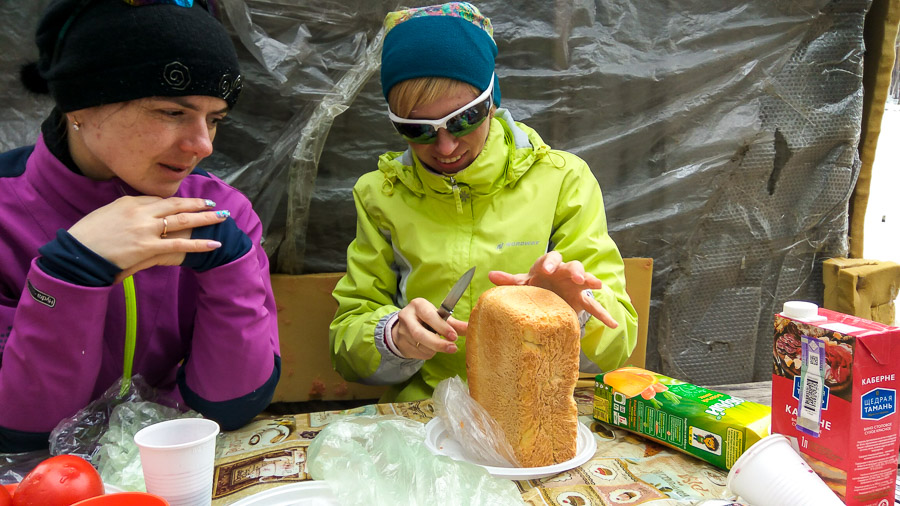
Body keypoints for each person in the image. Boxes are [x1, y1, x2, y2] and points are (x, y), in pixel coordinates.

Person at [0, 0, 280, 452]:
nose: (203, 145)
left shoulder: (222, 213)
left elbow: (232, 406)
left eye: (215, 119)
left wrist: (230, 264)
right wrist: (68, 276)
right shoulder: (5, 215)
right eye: (172, 112)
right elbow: (23, 430)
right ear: (81, 104)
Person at [330, 2, 638, 402]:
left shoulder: (562, 180)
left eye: (464, 118)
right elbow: (347, 343)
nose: (445, 146)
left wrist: (573, 310)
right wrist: (394, 338)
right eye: (417, 130)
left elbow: (617, 345)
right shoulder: (381, 195)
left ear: (492, 99)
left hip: (535, 409)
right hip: (429, 417)